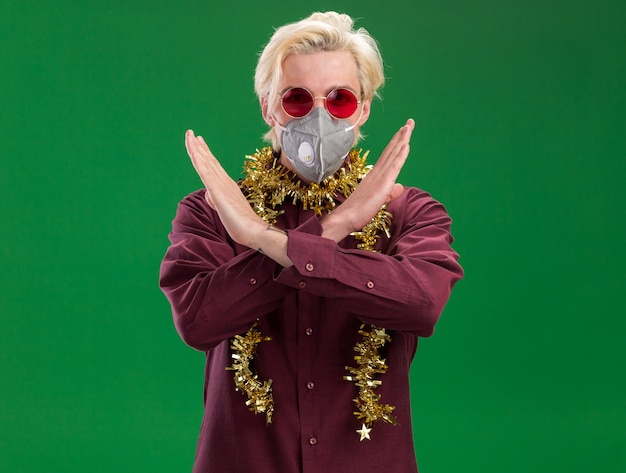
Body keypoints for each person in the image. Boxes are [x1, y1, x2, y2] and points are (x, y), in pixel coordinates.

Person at [159, 11, 463, 473]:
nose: (319, 115)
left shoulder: (410, 211)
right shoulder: (213, 210)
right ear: (268, 107)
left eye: (339, 99)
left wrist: (264, 239)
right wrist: (330, 233)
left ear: (362, 108)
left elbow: (421, 306)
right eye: (297, 99)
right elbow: (199, 322)